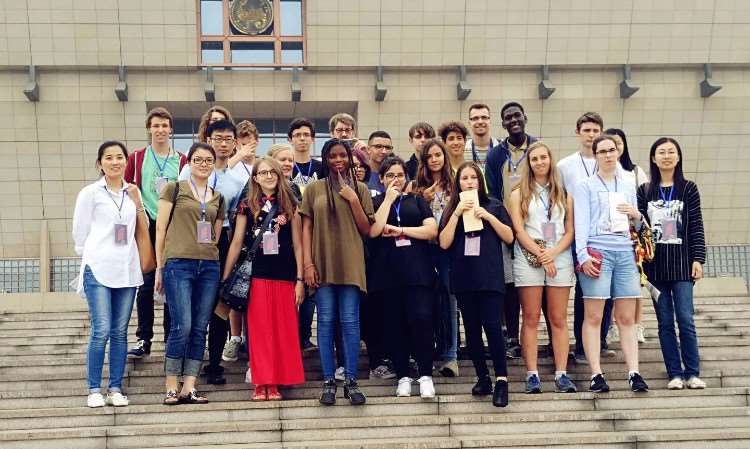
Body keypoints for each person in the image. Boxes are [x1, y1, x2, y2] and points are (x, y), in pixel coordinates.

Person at [223, 158, 305, 400]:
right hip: (256, 275)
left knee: (283, 330)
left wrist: (300, 279)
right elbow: (237, 242)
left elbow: (299, 244)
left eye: (273, 172)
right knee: (260, 332)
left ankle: (278, 381)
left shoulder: (291, 203)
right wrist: (226, 276)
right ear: (255, 178)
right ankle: (262, 382)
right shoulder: (247, 205)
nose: (268, 176)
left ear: (279, 176)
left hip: (285, 275)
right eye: (263, 173)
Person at [299, 138, 374, 406]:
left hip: (351, 262)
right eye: (333, 156)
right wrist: (308, 264)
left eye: (343, 155)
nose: (338, 160)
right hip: (321, 263)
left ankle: (351, 380)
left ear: (350, 159)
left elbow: (367, 229)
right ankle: (329, 381)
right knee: (326, 321)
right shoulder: (313, 189)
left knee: (351, 322)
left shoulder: (360, 189)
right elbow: (306, 229)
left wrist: (353, 199)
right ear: (326, 159)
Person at [574, 135, 649, 393]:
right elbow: (581, 221)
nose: (608, 155)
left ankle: (634, 372)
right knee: (594, 315)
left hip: (624, 251)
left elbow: (637, 225)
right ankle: (596, 373)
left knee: (626, 317)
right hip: (598, 251)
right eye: (602, 151)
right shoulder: (585, 186)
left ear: (618, 152)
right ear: (595, 155)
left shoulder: (627, 183)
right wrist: (582, 255)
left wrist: (636, 215)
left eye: (612, 150)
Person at [73, 141, 145, 408]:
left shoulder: (132, 192)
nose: (115, 162)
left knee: (119, 331)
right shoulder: (90, 193)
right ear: (100, 163)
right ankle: (94, 389)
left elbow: (142, 225)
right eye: (109, 158)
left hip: (126, 268)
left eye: (119, 157)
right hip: (99, 268)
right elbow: (79, 233)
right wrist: (94, 255)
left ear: (126, 161)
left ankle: (115, 388)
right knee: (101, 329)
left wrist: (138, 202)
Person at [155, 142, 226, 405]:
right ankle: (171, 385)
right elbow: (160, 228)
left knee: (199, 327)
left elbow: (215, 234)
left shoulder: (219, 197)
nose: (203, 164)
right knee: (181, 325)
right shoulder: (175, 189)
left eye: (208, 160)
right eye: (198, 159)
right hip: (178, 263)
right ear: (189, 162)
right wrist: (160, 266)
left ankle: (189, 386)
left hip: (209, 265)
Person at [438, 162, 513, 408]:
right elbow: (444, 242)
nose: (469, 182)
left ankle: (501, 380)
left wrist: (488, 216)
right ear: (457, 183)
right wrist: (457, 213)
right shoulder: (452, 209)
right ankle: (483, 377)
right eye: (464, 178)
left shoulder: (494, 205)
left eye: (473, 178)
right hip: (464, 278)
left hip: (489, 277)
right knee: (471, 331)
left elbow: (509, 236)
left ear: (480, 181)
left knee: (492, 327)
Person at [179, 120, 246, 385]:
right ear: (208, 139)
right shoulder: (189, 171)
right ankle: (187, 362)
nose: (223, 144)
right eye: (218, 138)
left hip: (223, 241)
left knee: (220, 304)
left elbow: (237, 217)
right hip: (190, 239)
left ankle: (215, 363)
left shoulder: (238, 179)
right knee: (191, 304)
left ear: (235, 144)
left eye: (228, 139)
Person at [508, 141, 577, 394]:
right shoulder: (518, 193)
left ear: (550, 160)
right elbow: (518, 230)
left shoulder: (564, 193)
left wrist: (552, 254)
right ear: (529, 163)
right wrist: (541, 255)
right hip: (529, 255)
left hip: (559, 255)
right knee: (530, 317)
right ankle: (532, 375)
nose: (539, 162)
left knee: (558, 318)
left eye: (543, 158)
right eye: (534, 159)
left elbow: (570, 231)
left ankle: (561, 374)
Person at [637, 137, 706, 390]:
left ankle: (692, 372)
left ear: (678, 157)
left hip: (682, 266)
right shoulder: (645, 191)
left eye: (671, 152)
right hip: (655, 268)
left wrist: (698, 259)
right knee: (665, 323)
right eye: (661, 152)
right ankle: (674, 373)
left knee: (686, 319)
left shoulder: (688, 188)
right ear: (653, 158)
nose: (666, 156)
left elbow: (696, 225)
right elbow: (639, 228)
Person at [368, 156, 438, 397]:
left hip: (418, 272)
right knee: (395, 326)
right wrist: (388, 199)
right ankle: (403, 377)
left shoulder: (417, 200)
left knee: (422, 319)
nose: (395, 180)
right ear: (381, 179)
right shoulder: (376, 202)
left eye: (399, 175)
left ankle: (426, 375)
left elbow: (431, 230)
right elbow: (373, 230)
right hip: (387, 275)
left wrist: (401, 230)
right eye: (390, 176)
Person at [125, 107, 187, 359]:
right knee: (146, 282)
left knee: (171, 282)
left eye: (164, 125)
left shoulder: (181, 160)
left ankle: (171, 337)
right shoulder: (137, 158)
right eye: (156, 125)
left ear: (171, 129)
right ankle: (144, 338)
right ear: (149, 129)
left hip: (172, 226)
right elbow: (126, 189)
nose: (160, 130)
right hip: (146, 223)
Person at [557, 112, 615, 363]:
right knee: (584, 291)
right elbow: (558, 200)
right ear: (578, 133)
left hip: (605, 236)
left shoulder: (610, 163)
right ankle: (581, 345)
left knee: (606, 290)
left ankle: (600, 340)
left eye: (595, 131)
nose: (591, 135)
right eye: (587, 130)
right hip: (577, 236)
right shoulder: (565, 165)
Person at [486, 101, 540, 360]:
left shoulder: (537, 147)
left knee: (534, 282)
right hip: (506, 227)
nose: (513, 120)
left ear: (525, 117)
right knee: (508, 283)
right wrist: (505, 222)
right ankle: (511, 338)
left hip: (535, 226)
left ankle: (538, 336)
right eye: (508, 118)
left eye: (517, 115)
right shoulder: (495, 155)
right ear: (503, 123)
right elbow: (492, 193)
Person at [414, 138, 457, 377]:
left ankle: (451, 356)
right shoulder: (417, 188)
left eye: (438, 155)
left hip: (450, 250)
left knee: (450, 301)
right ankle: (427, 352)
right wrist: (423, 200)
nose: (434, 159)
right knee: (426, 303)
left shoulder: (455, 185)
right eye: (429, 156)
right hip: (424, 250)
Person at [605, 128, 649, 344]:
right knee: (612, 284)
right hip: (610, 234)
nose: (615, 148)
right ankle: (613, 325)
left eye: (618, 143)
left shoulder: (635, 172)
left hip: (632, 234)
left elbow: (645, 202)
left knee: (635, 284)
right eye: (610, 144)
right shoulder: (600, 173)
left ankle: (637, 325)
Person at [289, 118, 324, 197]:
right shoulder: (286, 167)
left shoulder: (322, 167)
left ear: (312, 139)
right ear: (290, 140)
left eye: (306, 135)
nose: (302, 138)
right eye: (297, 135)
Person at [464, 103, 500, 168]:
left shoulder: (501, 148)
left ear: (490, 121)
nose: (480, 122)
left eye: (484, 117)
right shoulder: (462, 150)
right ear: (469, 123)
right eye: (475, 118)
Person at [228, 120, 260, 185]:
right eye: (244, 144)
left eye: (250, 144)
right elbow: (218, 172)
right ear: (235, 144)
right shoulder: (231, 165)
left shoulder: (262, 164)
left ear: (257, 143)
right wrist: (240, 155)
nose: (246, 148)